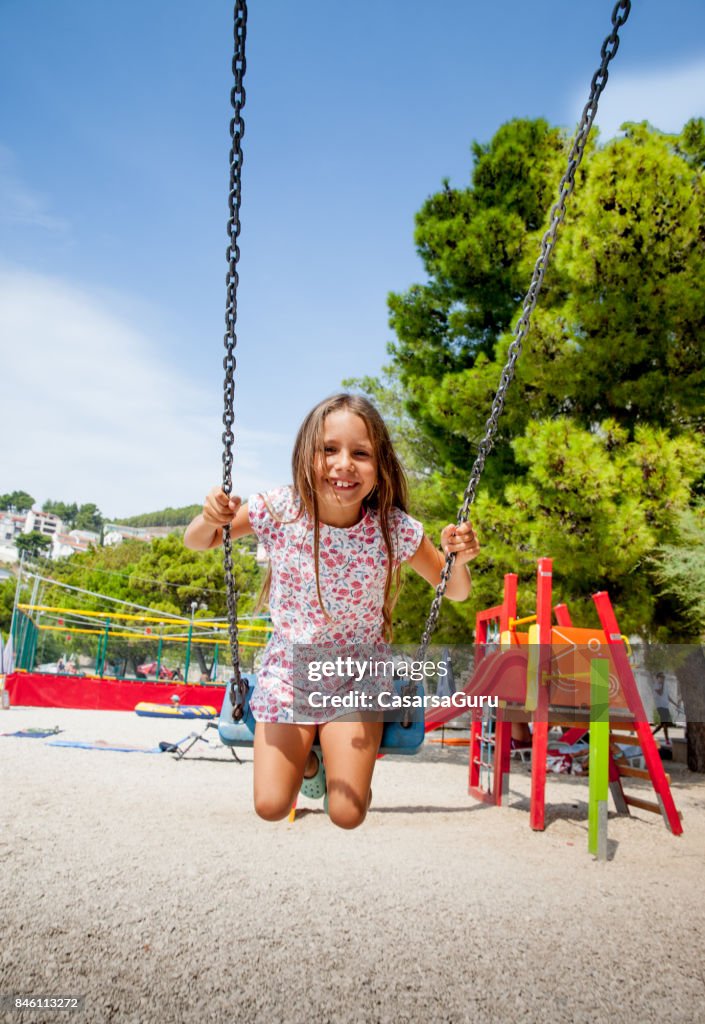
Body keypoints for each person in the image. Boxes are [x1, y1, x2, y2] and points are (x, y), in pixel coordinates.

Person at [184, 393, 480, 829]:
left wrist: (461, 560)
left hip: (358, 674)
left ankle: (335, 763)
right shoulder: (280, 509)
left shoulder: (391, 527)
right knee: (269, 805)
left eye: (361, 453)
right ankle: (310, 763)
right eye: (329, 450)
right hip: (290, 672)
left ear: (379, 469)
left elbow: (453, 591)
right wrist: (212, 517)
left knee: (347, 813)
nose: (344, 464)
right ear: (307, 455)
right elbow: (199, 540)